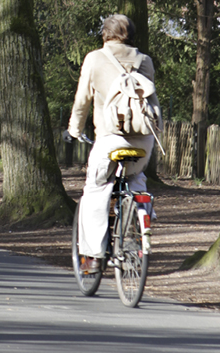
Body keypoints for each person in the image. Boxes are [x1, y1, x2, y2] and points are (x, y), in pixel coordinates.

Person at [65, 14, 155, 270]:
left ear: (105, 34)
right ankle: (133, 239)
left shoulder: (94, 59)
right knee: (136, 183)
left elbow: (82, 101)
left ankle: (92, 257)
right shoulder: (145, 61)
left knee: (96, 189)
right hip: (143, 142)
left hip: (110, 140)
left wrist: (74, 129)